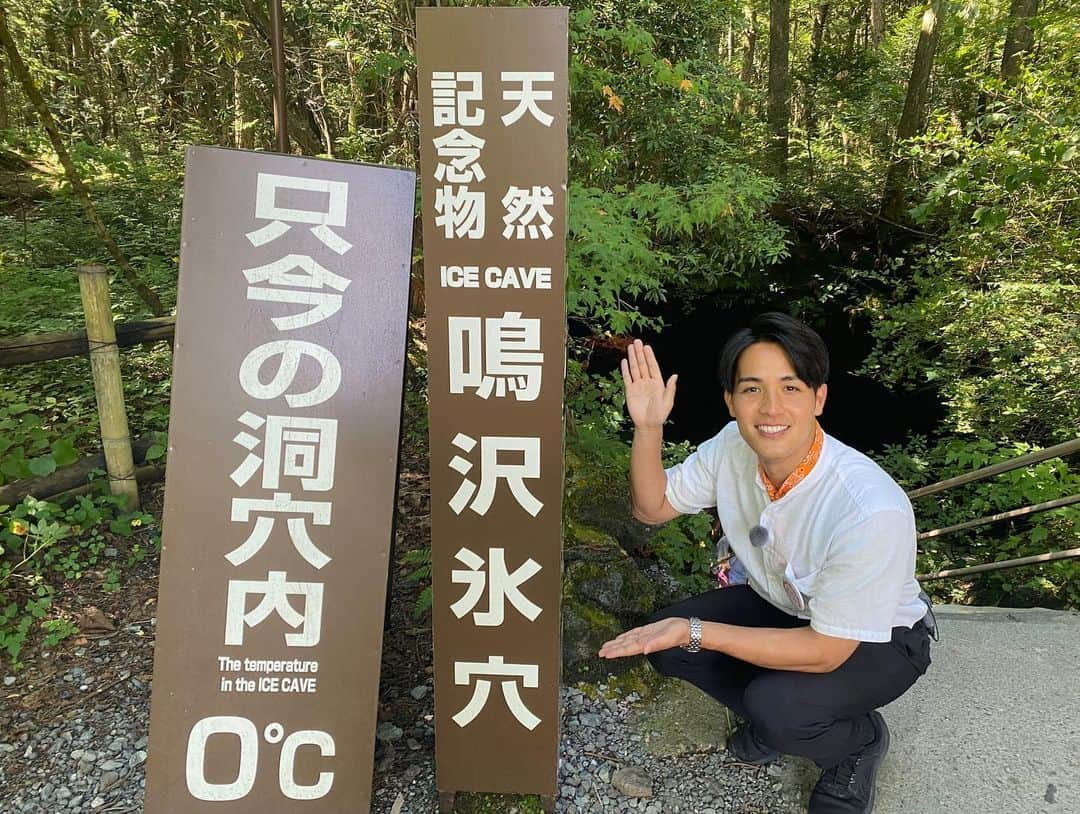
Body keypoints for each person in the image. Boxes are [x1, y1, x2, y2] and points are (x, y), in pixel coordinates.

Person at [598, 312, 933, 814]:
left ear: (819, 397)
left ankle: (855, 744)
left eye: (790, 388)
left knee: (774, 701)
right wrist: (648, 428)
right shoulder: (734, 446)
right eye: (752, 389)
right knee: (666, 644)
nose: (771, 407)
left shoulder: (867, 508)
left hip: (879, 637)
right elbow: (652, 507)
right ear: (731, 402)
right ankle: (785, 720)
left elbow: (825, 651)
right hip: (782, 603)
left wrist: (695, 630)